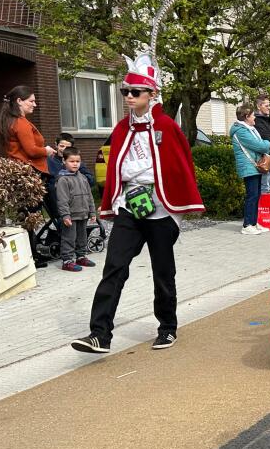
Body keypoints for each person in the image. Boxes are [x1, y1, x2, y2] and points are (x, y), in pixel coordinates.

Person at [70, 51, 204, 355]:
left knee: (162, 272)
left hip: (160, 209)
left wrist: (175, 205)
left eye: (135, 92)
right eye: (125, 92)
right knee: (114, 267)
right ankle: (99, 334)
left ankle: (167, 327)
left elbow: (181, 166)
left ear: (151, 93)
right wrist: (116, 200)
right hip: (130, 207)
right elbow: (116, 167)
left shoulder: (167, 127)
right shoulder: (120, 129)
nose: (128, 97)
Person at [0, 84, 57, 267]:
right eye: (31, 101)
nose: (35, 104)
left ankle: (31, 254)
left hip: (22, 172)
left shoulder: (9, 122)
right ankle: (32, 256)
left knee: (26, 216)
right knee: (32, 216)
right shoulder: (21, 123)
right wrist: (46, 150)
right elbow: (31, 150)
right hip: (32, 173)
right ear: (19, 101)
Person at [230, 105, 270, 235]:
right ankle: (247, 225)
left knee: (256, 195)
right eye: (253, 115)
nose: (255, 117)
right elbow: (260, 146)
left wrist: (264, 145)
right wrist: (267, 143)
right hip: (249, 167)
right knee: (252, 196)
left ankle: (253, 222)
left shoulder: (249, 129)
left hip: (254, 166)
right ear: (246, 116)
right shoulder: (241, 131)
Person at [53, 147, 98, 271]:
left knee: (82, 237)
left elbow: (90, 196)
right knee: (69, 238)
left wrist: (92, 212)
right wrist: (65, 215)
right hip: (71, 216)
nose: (75, 164)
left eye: (77, 161)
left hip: (83, 214)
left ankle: (81, 256)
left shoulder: (83, 178)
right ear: (64, 161)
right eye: (71, 161)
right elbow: (62, 200)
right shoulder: (63, 179)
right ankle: (67, 260)